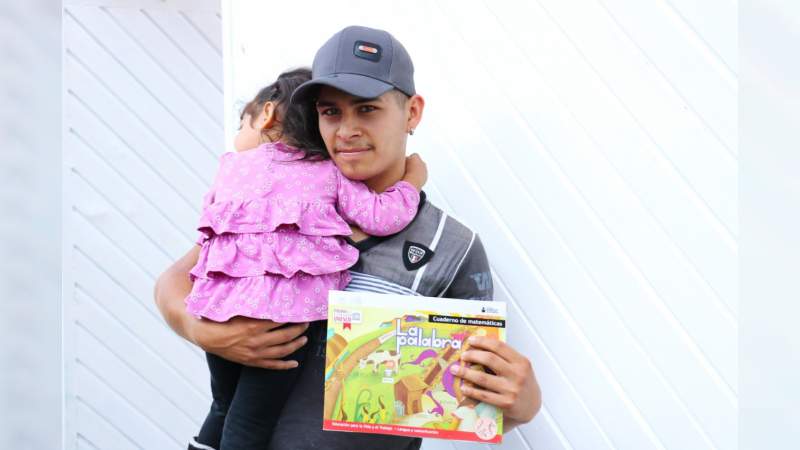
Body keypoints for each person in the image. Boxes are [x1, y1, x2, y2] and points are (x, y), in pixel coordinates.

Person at [155, 26, 541, 450]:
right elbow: (174, 281)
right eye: (331, 112)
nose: (346, 131)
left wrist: (520, 406)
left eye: (367, 109)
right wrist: (199, 330)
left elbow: (470, 398)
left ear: (412, 112)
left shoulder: (453, 246)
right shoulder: (280, 209)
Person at [186, 67, 427, 450]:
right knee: (250, 423)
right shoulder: (328, 172)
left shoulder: (230, 166)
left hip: (219, 315)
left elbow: (209, 226)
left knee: (223, 406)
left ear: (266, 114)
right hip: (284, 324)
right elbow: (382, 218)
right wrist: (412, 181)